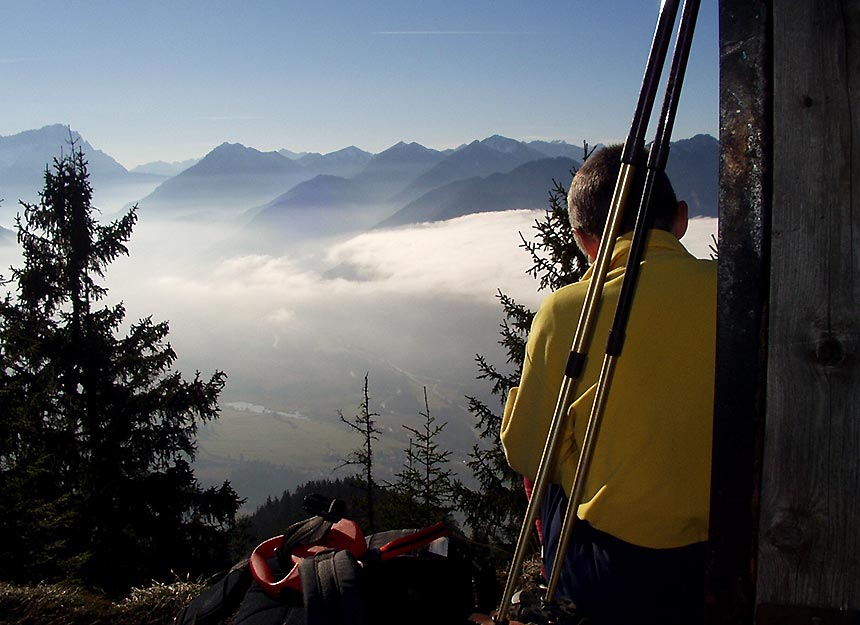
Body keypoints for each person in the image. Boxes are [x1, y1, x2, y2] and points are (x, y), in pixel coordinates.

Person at [500, 144, 717, 624]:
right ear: (680, 219)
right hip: (726, 550)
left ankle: (557, 588)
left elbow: (526, 453)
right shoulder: (734, 292)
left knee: (547, 474)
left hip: (620, 572)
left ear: (583, 239)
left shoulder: (568, 312)